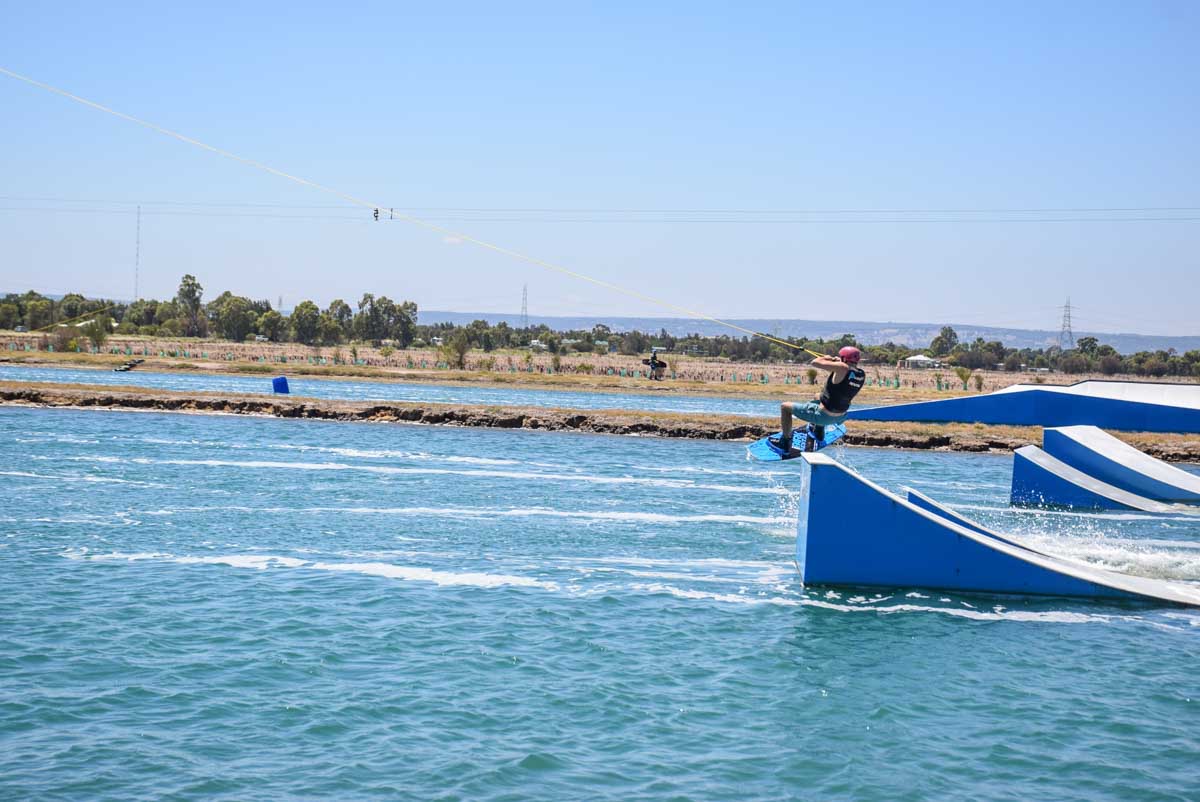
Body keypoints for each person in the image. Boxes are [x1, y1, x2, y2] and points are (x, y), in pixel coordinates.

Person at [769, 346, 866, 454]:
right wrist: (836, 361)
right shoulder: (861, 374)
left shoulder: (841, 367)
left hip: (824, 416)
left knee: (785, 407)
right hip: (840, 417)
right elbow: (845, 374)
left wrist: (827, 358)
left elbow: (815, 362)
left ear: (843, 358)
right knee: (817, 395)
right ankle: (819, 431)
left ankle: (784, 442)